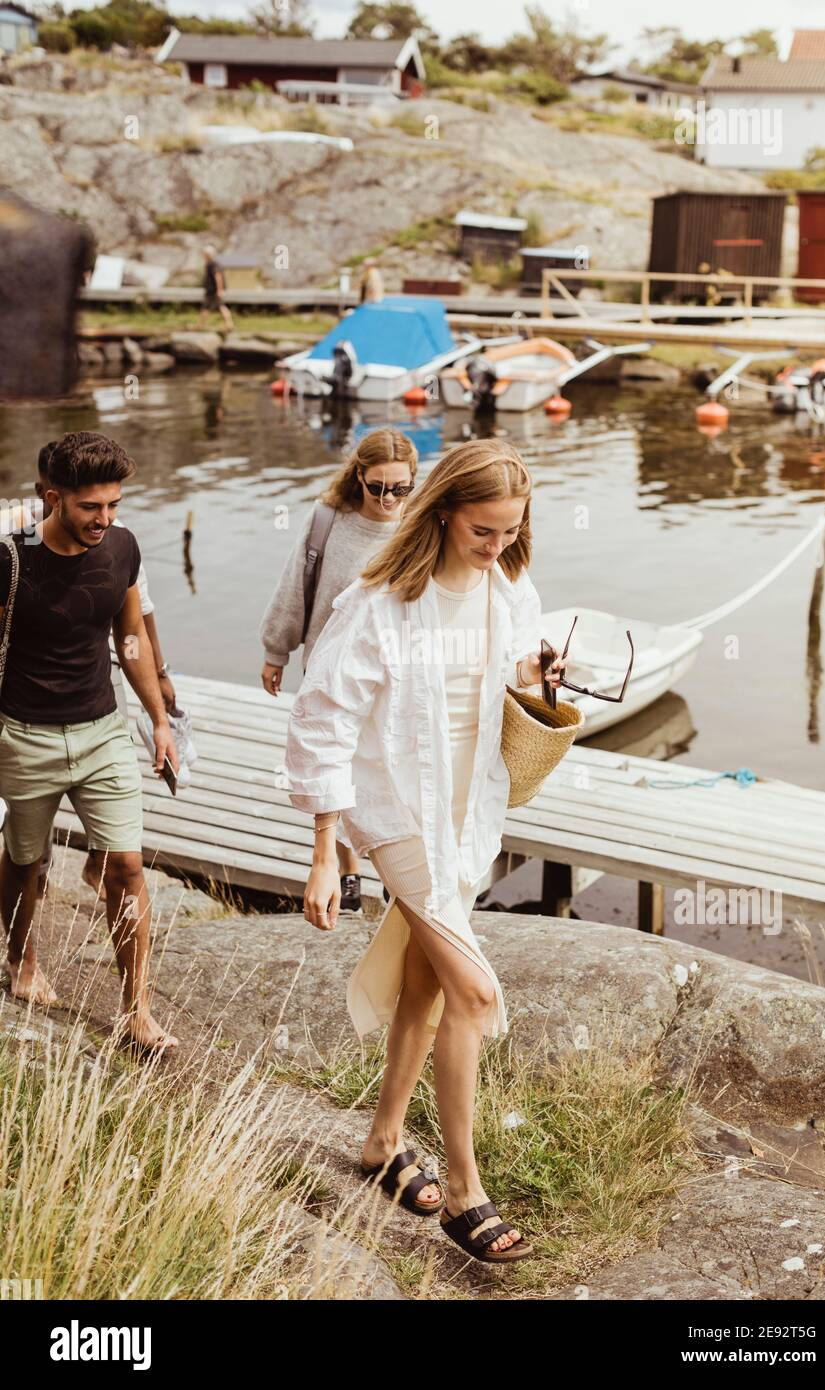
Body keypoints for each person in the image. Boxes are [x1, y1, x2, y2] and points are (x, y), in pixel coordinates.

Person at [284, 439, 567, 1263]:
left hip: (468, 810)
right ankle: (466, 1188)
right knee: (474, 995)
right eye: (484, 532)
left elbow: (517, 667)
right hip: (397, 813)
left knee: (424, 983)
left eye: (511, 532)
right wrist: (324, 849)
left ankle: (381, 1142)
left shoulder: (507, 586)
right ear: (442, 512)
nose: (498, 548)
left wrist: (545, 672)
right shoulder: (377, 604)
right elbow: (323, 719)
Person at [0, 432, 179, 1051]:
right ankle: (22, 962)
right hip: (24, 736)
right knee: (28, 863)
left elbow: (130, 639)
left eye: (113, 505)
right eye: (90, 508)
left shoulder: (123, 546)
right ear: (53, 498)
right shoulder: (9, 559)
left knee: (127, 866)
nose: (105, 519)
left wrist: (158, 718)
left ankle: (137, 1009)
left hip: (102, 731)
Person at [260, 428, 417, 913]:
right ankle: (349, 873)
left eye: (400, 488)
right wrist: (276, 651)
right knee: (339, 765)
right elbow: (295, 586)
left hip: (397, 674)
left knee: (393, 768)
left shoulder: (421, 524)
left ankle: (396, 866)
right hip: (330, 669)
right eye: (378, 487)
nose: (389, 498)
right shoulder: (328, 520)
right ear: (359, 477)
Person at [197, 245, 234, 331]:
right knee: (219, 307)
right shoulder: (209, 264)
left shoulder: (213, 264)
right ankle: (229, 324)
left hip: (213, 291)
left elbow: (218, 277)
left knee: (208, 307)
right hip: (211, 291)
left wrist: (219, 290)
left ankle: (200, 325)